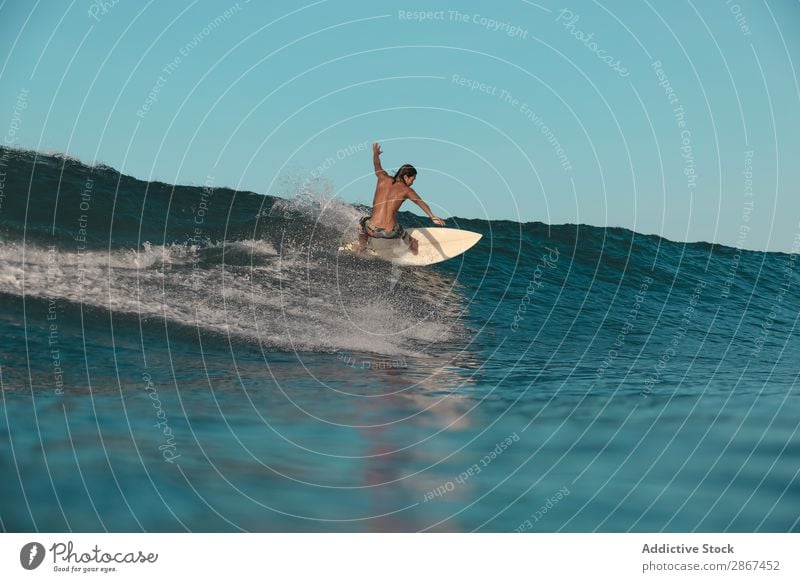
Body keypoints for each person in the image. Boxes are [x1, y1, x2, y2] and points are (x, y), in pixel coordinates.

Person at [356, 142, 445, 255]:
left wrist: (375, 154)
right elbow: (419, 202)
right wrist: (432, 216)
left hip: (371, 229)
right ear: (406, 176)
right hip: (389, 232)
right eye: (412, 180)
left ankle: (362, 246)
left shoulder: (382, 177)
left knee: (361, 223)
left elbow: (377, 165)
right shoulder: (406, 190)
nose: (412, 183)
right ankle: (414, 250)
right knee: (408, 238)